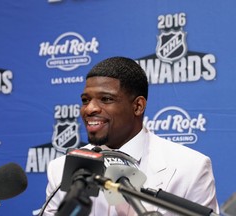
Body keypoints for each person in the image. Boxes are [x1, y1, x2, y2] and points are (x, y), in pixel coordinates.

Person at [41, 56, 219, 215]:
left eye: (106, 99)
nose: (89, 109)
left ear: (138, 106)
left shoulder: (190, 168)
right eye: (85, 100)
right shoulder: (62, 169)